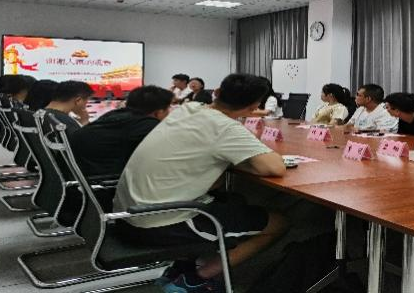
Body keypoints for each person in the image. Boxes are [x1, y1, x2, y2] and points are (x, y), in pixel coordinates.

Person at [113, 73, 288, 292]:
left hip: (125, 214)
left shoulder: (189, 109)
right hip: (157, 223)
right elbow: (275, 167)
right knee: (278, 223)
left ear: (217, 92)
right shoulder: (225, 128)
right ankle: (194, 279)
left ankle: (180, 268)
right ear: (254, 107)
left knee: (234, 200)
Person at [69, 85, 174, 178]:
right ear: (159, 112)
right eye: (169, 108)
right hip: (110, 183)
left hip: (85, 180)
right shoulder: (147, 125)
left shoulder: (114, 115)